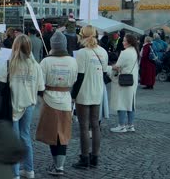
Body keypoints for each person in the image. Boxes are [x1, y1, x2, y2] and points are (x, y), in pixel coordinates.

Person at [0, 35, 45, 179]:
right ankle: (29, 170)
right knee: (25, 137)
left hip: (13, 105)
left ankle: (15, 173)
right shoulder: (36, 66)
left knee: (14, 139)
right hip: (29, 104)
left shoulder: (8, 64)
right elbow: (41, 88)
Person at [37, 31, 78, 176]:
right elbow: (74, 79)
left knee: (52, 134)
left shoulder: (46, 62)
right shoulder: (72, 61)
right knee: (63, 133)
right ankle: (59, 165)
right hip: (66, 98)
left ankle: (57, 165)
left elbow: (39, 83)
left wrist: (42, 95)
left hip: (49, 99)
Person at [71, 26, 108, 169]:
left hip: (84, 92)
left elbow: (79, 77)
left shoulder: (82, 53)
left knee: (84, 126)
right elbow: (104, 73)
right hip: (97, 91)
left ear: (82, 36)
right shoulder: (103, 52)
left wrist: (73, 96)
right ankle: (95, 157)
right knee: (95, 125)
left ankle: (84, 157)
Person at [109, 34, 140, 133]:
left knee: (121, 102)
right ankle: (130, 125)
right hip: (133, 80)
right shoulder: (135, 51)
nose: (122, 42)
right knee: (131, 103)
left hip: (123, 80)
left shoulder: (125, 52)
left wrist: (109, 67)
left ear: (129, 42)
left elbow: (117, 66)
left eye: (124, 41)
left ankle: (121, 125)